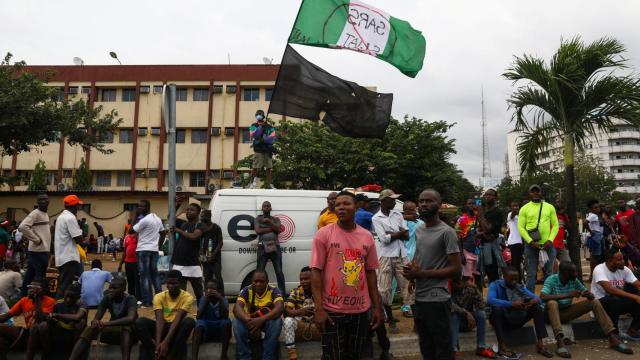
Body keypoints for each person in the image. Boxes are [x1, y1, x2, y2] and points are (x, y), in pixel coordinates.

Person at [310, 191, 382, 359]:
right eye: (338, 205)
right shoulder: (323, 234)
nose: (341, 207)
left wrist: (376, 306)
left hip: (360, 311)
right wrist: (319, 309)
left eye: (346, 204)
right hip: (332, 311)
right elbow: (316, 272)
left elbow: (370, 272)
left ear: (356, 206)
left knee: (355, 355)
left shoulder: (366, 236)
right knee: (332, 356)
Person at [401, 189, 461, 360]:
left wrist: (422, 273)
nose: (424, 204)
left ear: (439, 205)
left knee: (442, 348)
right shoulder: (419, 230)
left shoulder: (446, 232)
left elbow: (456, 268)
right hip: (420, 297)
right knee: (426, 347)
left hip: (437, 298)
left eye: (429, 201)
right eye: (421, 201)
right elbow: (419, 259)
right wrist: (412, 272)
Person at [541, 261, 632, 356]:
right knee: (552, 303)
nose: (576, 274)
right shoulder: (551, 280)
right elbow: (542, 296)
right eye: (574, 272)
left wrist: (588, 295)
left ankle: (612, 337)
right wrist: (567, 295)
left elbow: (586, 292)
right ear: (565, 273)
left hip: (565, 312)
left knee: (594, 302)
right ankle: (560, 342)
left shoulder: (574, 280)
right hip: (549, 315)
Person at [487, 267, 552, 359]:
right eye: (511, 279)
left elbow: (538, 299)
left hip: (517, 318)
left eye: (516, 279)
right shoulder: (495, 285)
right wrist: (511, 304)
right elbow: (490, 300)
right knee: (496, 308)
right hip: (501, 321)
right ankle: (502, 346)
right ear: (504, 277)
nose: (514, 282)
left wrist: (533, 301)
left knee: (537, 307)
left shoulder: (519, 287)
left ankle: (540, 344)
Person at [69, 276, 138, 360]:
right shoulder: (107, 298)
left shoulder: (130, 299)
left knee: (126, 329)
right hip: (114, 331)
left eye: (115, 288)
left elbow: (130, 318)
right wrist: (95, 322)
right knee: (89, 329)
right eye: (110, 288)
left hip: (131, 335)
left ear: (123, 288)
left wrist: (106, 324)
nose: (111, 291)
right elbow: (98, 315)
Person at [135, 270, 196, 360]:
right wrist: (158, 345)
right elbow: (159, 320)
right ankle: (155, 353)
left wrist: (166, 342)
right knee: (140, 322)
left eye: (174, 283)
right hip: (162, 327)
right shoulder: (159, 296)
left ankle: (171, 355)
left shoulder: (187, 297)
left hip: (176, 329)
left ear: (180, 283)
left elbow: (178, 320)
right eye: (169, 283)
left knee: (189, 322)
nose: (171, 286)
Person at [372, 189, 409, 323]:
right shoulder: (376, 218)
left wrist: (391, 233)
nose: (394, 202)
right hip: (385, 256)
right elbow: (384, 239)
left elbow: (407, 235)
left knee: (407, 285)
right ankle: (390, 318)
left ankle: (415, 318)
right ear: (384, 201)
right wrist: (398, 233)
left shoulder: (397, 214)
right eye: (392, 199)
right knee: (384, 288)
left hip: (400, 254)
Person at [233, 270, 284, 360]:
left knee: (277, 321)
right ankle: (244, 357)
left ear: (267, 282)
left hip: (266, 322)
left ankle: (268, 357)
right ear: (252, 282)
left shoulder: (273, 290)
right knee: (236, 321)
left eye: (261, 281)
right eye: (255, 281)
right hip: (250, 321)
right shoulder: (247, 290)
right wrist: (250, 321)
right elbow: (237, 308)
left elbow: (279, 308)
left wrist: (261, 320)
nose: (258, 284)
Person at [0, 277, 56, 360]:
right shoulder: (24, 300)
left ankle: (45, 355)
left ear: (43, 291)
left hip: (39, 336)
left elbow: (40, 318)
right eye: (30, 287)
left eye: (35, 288)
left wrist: (36, 299)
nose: (30, 290)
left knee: (39, 326)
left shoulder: (50, 301)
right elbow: (6, 317)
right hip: (24, 334)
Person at [591, 248, 640, 340]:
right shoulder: (599, 269)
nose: (623, 262)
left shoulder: (624, 269)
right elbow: (610, 290)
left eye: (623, 259)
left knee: (635, 301)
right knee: (614, 299)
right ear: (610, 260)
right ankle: (614, 333)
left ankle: (633, 330)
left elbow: (637, 284)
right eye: (619, 260)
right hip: (600, 304)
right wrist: (635, 297)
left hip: (617, 303)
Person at [517, 185, 559, 292]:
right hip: (531, 246)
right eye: (532, 192)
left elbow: (555, 225)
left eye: (538, 191)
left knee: (549, 273)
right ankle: (530, 299)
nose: (535, 193)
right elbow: (521, 227)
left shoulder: (549, 207)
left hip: (547, 246)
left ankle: (549, 297)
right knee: (531, 274)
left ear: (541, 193)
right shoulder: (524, 209)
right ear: (529, 194)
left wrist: (550, 240)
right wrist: (530, 242)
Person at [449, 276, 496, 358]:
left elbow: (481, 305)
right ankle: (454, 350)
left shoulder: (469, 290)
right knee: (454, 315)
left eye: (458, 282)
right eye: (454, 282)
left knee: (481, 314)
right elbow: (449, 306)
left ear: (464, 283)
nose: (455, 284)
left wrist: (475, 288)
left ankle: (481, 347)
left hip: (468, 322)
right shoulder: (447, 290)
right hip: (452, 324)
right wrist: (466, 313)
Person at [131, 199, 166, 307]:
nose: (139, 208)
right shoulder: (157, 218)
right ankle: (160, 301)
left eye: (141, 207)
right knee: (155, 275)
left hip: (143, 250)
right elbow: (163, 232)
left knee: (144, 277)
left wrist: (135, 216)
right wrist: (157, 246)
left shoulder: (144, 220)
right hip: (153, 250)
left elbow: (131, 231)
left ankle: (147, 302)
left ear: (147, 207)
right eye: (138, 206)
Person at [171, 203, 206, 301]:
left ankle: (201, 314)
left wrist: (179, 231)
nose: (188, 212)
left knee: (199, 293)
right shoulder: (183, 224)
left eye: (192, 210)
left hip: (193, 264)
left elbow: (194, 236)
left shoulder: (200, 225)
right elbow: (170, 217)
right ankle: (182, 314)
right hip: (179, 263)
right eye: (187, 210)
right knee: (181, 293)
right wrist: (176, 205)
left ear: (198, 213)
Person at [18, 194, 51, 296]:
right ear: (37, 202)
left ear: (49, 201)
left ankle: (23, 296)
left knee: (29, 275)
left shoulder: (44, 214)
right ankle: (38, 299)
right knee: (39, 277)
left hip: (41, 251)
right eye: (40, 200)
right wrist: (36, 240)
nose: (43, 201)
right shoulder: (35, 213)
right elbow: (22, 227)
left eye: (45, 199)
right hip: (38, 251)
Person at [54, 194, 84, 299]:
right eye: (77, 206)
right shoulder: (70, 218)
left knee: (64, 284)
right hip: (69, 257)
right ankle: (56, 307)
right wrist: (83, 238)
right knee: (64, 285)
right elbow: (78, 239)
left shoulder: (61, 217)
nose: (78, 208)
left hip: (62, 257)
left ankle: (61, 307)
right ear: (73, 206)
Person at [192, 279, 231, 360]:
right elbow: (198, 316)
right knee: (199, 324)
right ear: (205, 290)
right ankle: (194, 357)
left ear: (218, 291)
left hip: (220, 331)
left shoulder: (223, 300)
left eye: (213, 289)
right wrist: (206, 301)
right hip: (206, 330)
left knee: (226, 322)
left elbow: (225, 316)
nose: (210, 291)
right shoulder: (203, 299)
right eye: (208, 289)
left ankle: (223, 356)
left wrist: (220, 299)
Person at [283, 267, 316, 360]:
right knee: (288, 320)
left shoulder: (319, 290)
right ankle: (292, 352)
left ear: (313, 278)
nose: (303, 281)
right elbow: (287, 311)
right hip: (301, 322)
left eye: (306, 279)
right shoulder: (296, 291)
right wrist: (300, 312)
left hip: (317, 323)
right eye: (301, 279)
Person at [476, 188, 506, 286]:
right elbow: (480, 229)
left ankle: (495, 297)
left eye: (490, 195)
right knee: (481, 272)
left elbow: (487, 229)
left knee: (492, 272)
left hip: (492, 247)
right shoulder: (485, 211)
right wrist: (482, 233)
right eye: (486, 195)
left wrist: (480, 216)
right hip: (483, 245)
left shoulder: (496, 212)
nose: (487, 196)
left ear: (495, 197)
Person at [254, 201, 286, 293]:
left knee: (279, 271)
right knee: (260, 271)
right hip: (262, 247)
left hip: (275, 246)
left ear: (271, 208)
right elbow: (258, 230)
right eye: (265, 206)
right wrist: (273, 228)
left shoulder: (275, 219)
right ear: (262, 208)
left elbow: (279, 229)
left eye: (268, 206)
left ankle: (282, 294)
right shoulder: (257, 219)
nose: (267, 207)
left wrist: (268, 222)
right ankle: (258, 293)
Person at [48, 284, 87, 357]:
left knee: (80, 323)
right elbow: (51, 317)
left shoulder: (82, 304)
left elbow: (77, 318)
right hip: (60, 330)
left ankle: (75, 350)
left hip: (74, 332)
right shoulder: (58, 303)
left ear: (78, 297)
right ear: (64, 294)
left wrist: (57, 315)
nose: (68, 300)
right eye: (66, 296)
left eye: (72, 297)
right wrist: (53, 319)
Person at [398, 200, 422, 318]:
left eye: (414, 209)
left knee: (410, 283)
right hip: (403, 255)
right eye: (410, 210)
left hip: (415, 256)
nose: (413, 212)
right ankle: (405, 307)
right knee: (401, 284)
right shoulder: (401, 222)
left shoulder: (420, 222)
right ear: (405, 210)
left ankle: (407, 307)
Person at [249, 109, 276, 188]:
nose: (258, 116)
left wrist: (264, 139)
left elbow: (272, 137)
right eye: (257, 114)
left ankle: (270, 184)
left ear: (263, 116)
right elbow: (253, 135)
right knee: (255, 167)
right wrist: (260, 128)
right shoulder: (253, 125)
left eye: (260, 114)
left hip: (267, 150)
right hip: (258, 149)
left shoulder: (269, 126)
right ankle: (251, 183)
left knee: (269, 168)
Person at [200, 209, 224, 294]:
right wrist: (202, 256)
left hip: (215, 258)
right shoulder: (201, 228)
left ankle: (221, 296)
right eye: (201, 216)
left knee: (218, 277)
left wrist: (213, 255)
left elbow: (220, 243)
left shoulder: (216, 228)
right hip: (205, 258)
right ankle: (208, 295)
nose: (201, 218)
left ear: (208, 216)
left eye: (203, 216)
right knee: (207, 277)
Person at [456, 199, 479, 282]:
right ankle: (467, 294)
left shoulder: (479, 218)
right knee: (466, 277)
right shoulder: (461, 219)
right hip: (466, 250)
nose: (471, 205)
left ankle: (478, 294)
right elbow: (458, 237)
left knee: (478, 276)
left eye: (473, 203)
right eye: (469, 203)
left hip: (478, 251)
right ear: (466, 205)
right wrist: (461, 253)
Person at [118, 231, 140, 300]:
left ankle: (139, 298)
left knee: (137, 281)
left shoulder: (138, 236)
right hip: (127, 262)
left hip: (136, 262)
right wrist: (121, 263)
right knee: (130, 281)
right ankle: (131, 298)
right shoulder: (127, 237)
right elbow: (125, 251)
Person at [585, 199, 605, 276]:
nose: (597, 209)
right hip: (596, 235)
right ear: (590, 209)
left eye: (598, 207)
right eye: (595, 207)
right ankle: (593, 275)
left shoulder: (596, 215)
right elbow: (585, 222)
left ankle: (595, 274)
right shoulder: (592, 215)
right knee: (595, 256)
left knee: (598, 256)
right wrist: (591, 232)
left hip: (599, 235)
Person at [506, 201, 524, 282]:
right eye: (513, 206)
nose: (515, 207)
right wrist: (514, 210)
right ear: (510, 208)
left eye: (516, 205)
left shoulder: (520, 216)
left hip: (520, 243)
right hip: (513, 243)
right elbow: (513, 213)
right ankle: (517, 282)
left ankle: (518, 281)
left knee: (518, 264)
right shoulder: (510, 215)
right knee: (515, 264)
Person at [553, 200, 571, 271]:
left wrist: (565, 216)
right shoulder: (551, 215)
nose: (558, 204)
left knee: (568, 264)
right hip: (551, 245)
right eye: (557, 203)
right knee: (554, 267)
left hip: (561, 245)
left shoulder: (563, 216)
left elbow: (569, 227)